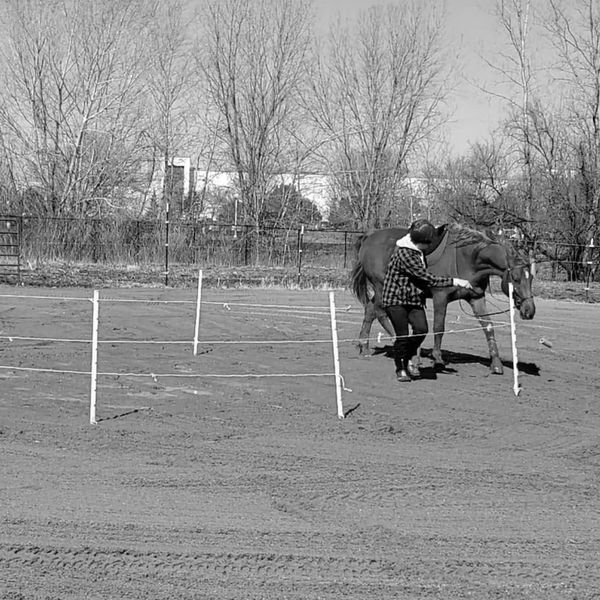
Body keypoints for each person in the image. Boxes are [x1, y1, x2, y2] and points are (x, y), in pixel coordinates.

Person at [381, 219, 473, 382]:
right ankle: (400, 368)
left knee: (421, 329)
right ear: (422, 242)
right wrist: (455, 281)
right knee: (402, 336)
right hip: (395, 298)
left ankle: (407, 357)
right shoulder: (406, 254)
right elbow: (427, 279)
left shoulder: (418, 250)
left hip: (413, 298)